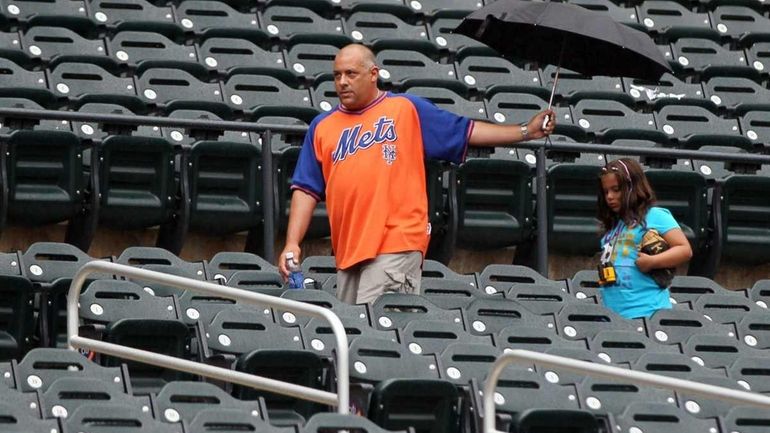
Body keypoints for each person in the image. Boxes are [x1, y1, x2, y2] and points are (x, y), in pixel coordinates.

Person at [278, 43, 555, 304]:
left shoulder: (405, 109)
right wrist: (292, 243)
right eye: (337, 75)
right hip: (349, 247)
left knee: (377, 332)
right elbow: (306, 188)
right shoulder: (322, 125)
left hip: (397, 240)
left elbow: (466, 131)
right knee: (354, 336)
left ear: (373, 74)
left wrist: (525, 132)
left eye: (351, 74)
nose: (342, 82)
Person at [597, 158, 692, 319]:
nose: (609, 197)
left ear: (633, 187)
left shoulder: (655, 215)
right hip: (613, 314)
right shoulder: (613, 225)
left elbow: (684, 249)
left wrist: (653, 262)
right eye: (606, 192)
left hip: (648, 312)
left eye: (616, 190)